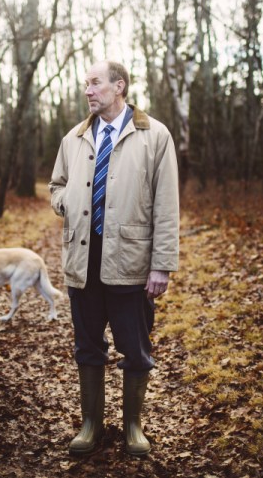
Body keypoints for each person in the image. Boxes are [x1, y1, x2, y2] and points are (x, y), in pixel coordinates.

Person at [49, 60, 180, 456]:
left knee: (136, 349)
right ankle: (91, 425)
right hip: (82, 263)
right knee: (87, 347)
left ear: (118, 86)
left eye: (95, 83)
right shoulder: (74, 138)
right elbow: (57, 185)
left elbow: (167, 204)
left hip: (131, 264)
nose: (87, 91)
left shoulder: (154, 135)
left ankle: (133, 427)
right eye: (85, 84)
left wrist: (162, 264)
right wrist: (65, 202)